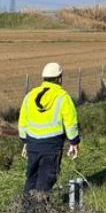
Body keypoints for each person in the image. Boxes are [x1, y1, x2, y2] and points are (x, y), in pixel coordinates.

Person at [18, 62, 80, 196]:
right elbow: (71, 122)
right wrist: (74, 142)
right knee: (46, 180)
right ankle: (42, 211)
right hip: (52, 145)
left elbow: (23, 122)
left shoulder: (30, 96)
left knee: (32, 178)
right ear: (59, 78)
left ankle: (26, 209)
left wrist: (24, 141)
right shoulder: (63, 97)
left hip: (33, 144)